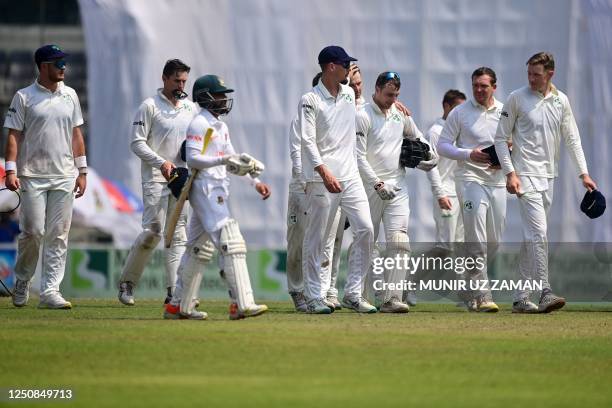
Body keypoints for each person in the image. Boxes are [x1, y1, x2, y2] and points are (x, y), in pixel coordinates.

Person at [494, 52, 597, 313]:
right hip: (524, 175)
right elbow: (500, 139)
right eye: (528, 73)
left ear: (550, 73)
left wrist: (583, 174)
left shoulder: (561, 100)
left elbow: (572, 138)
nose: (531, 78)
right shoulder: (517, 97)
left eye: (536, 74)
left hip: (549, 177)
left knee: (532, 238)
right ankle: (545, 291)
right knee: (539, 233)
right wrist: (510, 173)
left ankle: (520, 297)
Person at [164, 74, 270, 320]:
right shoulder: (199, 124)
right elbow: (192, 160)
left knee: (198, 248)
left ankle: (179, 306)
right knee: (230, 240)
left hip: (219, 188)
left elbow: (234, 158)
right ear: (206, 97)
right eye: (220, 94)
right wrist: (221, 160)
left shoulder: (221, 126)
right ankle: (241, 303)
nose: (224, 99)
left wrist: (255, 182)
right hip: (204, 188)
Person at [3, 44, 87, 309]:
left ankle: (51, 290)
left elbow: (76, 134)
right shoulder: (24, 96)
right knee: (33, 232)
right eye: (58, 63)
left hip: (64, 174)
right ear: (43, 66)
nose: (64, 67)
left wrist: (82, 171)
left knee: (59, 234)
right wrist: (11, 170)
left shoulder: (70, 95)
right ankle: (23, 280)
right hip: (32, 176)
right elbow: (14, 135)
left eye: (64, 63)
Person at [299, 45, 376, 314]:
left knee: (366, 228)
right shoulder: (310, 99)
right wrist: (324, 172)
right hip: (322, 179)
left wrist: (395, 105)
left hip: (350, 176)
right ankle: (313, 296)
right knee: (317, 239)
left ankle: (353, 293)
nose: (348, 68)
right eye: (345, 64)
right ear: (331, 67)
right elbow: (307, 140)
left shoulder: (347, 94)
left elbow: (366, 111)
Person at [117, 59, 197, 306]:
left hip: (181, 178)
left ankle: (174, 292)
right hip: (155, 177)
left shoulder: (190, 108)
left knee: (177, 235)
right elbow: (136, 142)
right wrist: (161, 163)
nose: (181, 85)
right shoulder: (149, 106)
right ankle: (127, 283)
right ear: (164, 78)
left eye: (184, 81)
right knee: (153, 232)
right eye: (176, 80)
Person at [356, 71, 437, 313]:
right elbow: (357, 156)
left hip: (397, 187)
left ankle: (392, 298)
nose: (392, 99)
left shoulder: (400, 114)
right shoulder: (363, 116)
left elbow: (422, 143)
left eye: (396, 95)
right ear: (377, 89)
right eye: (389, 94)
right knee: (367, 241)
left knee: (400, 241)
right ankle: (363, 294)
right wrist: (377, 184)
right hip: (370, 187)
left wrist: (428, 159)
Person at [437, 67, 506, 313]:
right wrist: (469, 154)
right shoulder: (460, 112)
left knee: (494, 240)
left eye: (484, 86)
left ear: (494, 87)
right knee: (475, 238)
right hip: (469, 180)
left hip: (496, 182)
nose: (478, 90)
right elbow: (442, 145)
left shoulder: (504, 112)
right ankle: (483, 294)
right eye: (475, 85)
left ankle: (469, 285)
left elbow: (514, 143)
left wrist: (506, 158)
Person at [424, 90, 466, 254]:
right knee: (445, 244)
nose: (460, 114)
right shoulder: (434, 132)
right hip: (446, 195)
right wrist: (440, 194)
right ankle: (420, 279)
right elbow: (431, 166)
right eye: (457, 108)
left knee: (460, 243)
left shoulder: (460, 130)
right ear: (446, 106)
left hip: (462, 193)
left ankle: (459, 280)